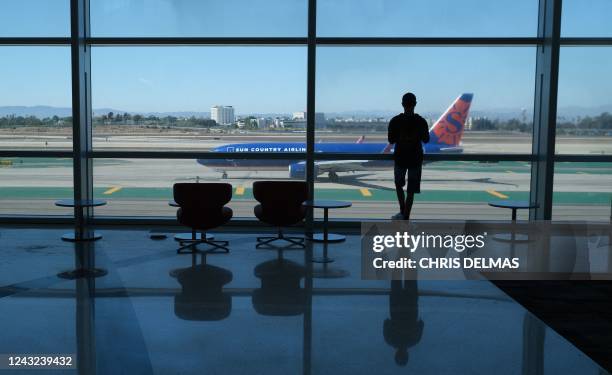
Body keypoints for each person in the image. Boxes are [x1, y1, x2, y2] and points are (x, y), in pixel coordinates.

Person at [388, 92, 429, 220]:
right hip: (415, 159)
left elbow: (391, 140)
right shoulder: (421, 121)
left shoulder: (395, 121)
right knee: (411, 190)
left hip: (400, 158)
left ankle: (402, 211)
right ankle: (406, 216)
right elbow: (426, 139)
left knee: (398, 185)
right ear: (415, 104)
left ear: (402, 104)